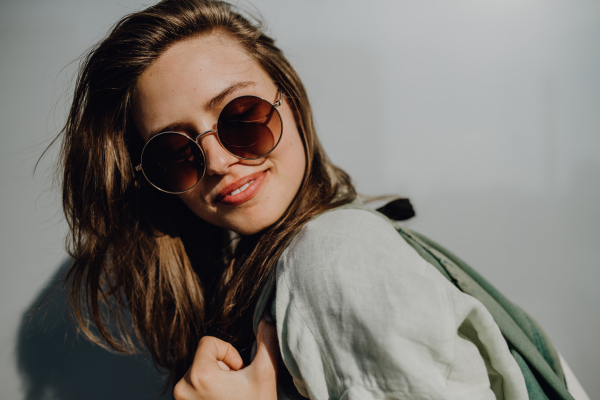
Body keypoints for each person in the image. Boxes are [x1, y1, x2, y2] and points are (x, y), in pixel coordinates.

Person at [53, 0, 588, 399]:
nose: (216, 161)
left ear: (292, 102)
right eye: (175, 151)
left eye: (240, 116)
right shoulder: (297, 262)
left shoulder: (332, 259)